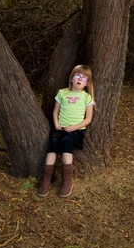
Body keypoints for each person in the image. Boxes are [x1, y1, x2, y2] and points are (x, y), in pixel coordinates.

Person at [38, 65, 95, 198]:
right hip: (60, 127)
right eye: (77, 75)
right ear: (71, 79)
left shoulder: (87, 97)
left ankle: (67, 180)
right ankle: (46, 180)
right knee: (53, 145)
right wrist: (56, 123)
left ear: (87, 83)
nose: (80, 79)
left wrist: (74, 127)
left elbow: (88, 119)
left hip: (75, 131)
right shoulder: (62, 93)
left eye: (84, 77)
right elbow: (55, 111)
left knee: (66, 144)